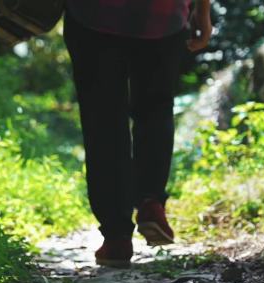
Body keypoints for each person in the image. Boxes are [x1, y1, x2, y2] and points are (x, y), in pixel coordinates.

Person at [64, 0, 212, 268]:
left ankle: (116, 236)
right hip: (163, 15)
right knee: (156, 107)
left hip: (95, 15)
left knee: (103, 118)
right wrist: (203, 11)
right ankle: (150, 201)